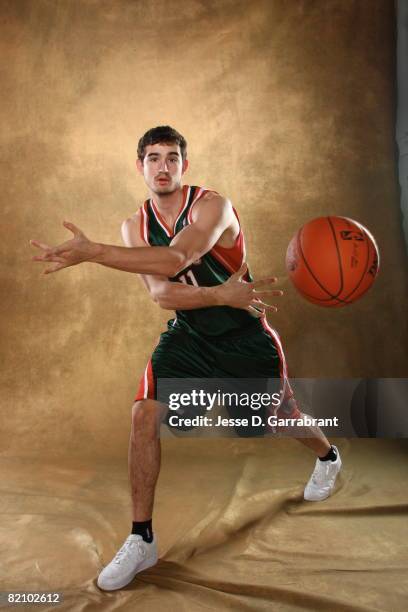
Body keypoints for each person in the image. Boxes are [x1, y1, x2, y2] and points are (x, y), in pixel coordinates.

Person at [30, 125, 342, 591]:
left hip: (245, 338)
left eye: (171, 158)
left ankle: (328, 455)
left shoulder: (214, 206)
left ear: (184, 166)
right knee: (142, 416)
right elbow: (161, 294)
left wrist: (94, 253)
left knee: (279, 419)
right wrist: (221, 295)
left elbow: (175, 258)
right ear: (140, 167)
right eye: (153, 158)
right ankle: (142, 538)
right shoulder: (133, 226)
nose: (162, 166)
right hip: (188, 337)